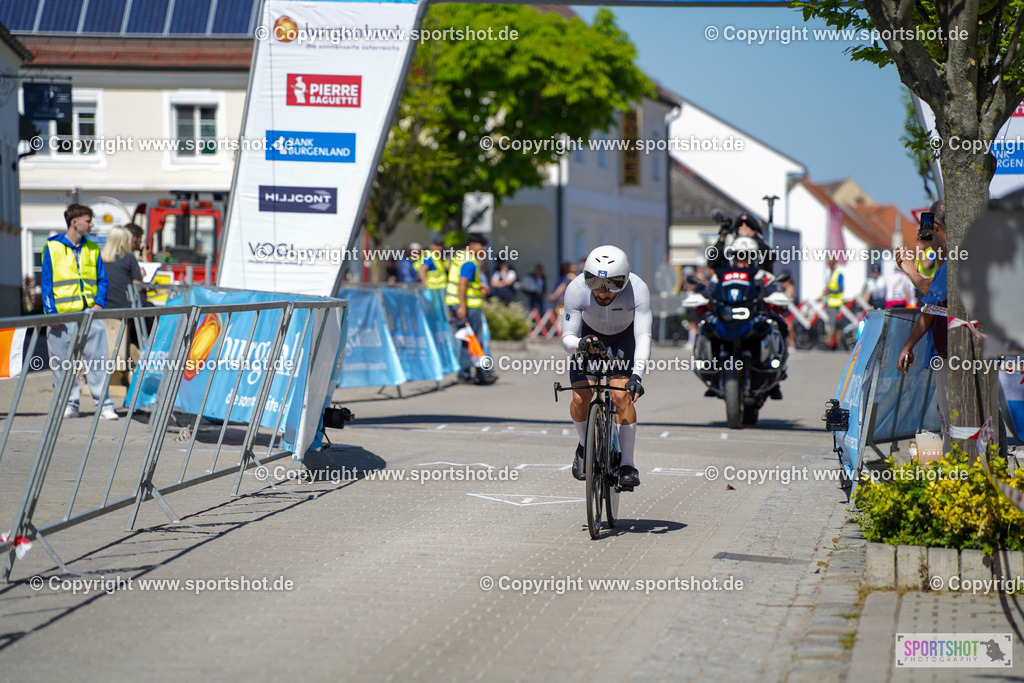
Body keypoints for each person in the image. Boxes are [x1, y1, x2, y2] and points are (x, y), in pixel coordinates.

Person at [562, 245, 652, 489]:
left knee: (622, 395)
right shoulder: (576, 289)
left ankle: (627, 464)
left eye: (611, 286)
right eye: (596, 284)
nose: (602, 293)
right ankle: (584, 445)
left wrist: (637, 376)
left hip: (624, 338)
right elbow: (567, 339)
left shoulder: (638, 289)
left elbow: (644, 336)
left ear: (623, 281)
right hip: (589, 340)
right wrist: (581, 343)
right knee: (581, 398)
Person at [42, 204, 118, 420]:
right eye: (88, 220)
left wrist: (99, 304)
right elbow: (47, 281)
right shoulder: (52, 246)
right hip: (62, 316)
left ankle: (104, 404)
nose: (91, 224)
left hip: (88, 313)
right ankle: (69, 404)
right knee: (62, 363)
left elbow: (102, 279)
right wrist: (51, 312)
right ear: (74, 222)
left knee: (98, 361)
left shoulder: (92, 249)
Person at [897, 200, 949, 452]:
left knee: (951, 417)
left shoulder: (955, 262)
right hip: (958, 352)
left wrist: (909, 268)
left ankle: (960, 471)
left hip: (952, 354)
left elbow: (929, 296)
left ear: (937, 226)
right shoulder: (957, 258)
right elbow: (937, 278)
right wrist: (930, 243)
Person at [446, 233, 496, 385]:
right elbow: (462, 282)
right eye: (481, 246)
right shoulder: (469, 260)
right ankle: (482, 373)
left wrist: (477, 286)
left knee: (466, 338)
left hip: (455, 302)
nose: (483, 249)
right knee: (476, 339)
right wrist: (463, 306)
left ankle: (465, 373)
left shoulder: (459, 257)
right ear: (473, 244)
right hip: (468, 305)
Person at [707, 213, 775, 273]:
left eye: (748, 227)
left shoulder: (760, 252)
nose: (743, 230)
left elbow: (771, 258)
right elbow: (712, 263)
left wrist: (754, 236)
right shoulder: (730, 251)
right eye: (740, 227)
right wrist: (722, 239)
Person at [822, 257, 844, 350]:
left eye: (830, 263)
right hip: (830, 302)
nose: (829, 265)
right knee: (834, 324)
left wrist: (829, 291)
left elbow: (840, 289)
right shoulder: (830, 274)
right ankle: (835, 343)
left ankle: (828, 341)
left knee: (832, 323)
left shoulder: (838, 274)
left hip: (835, 303)